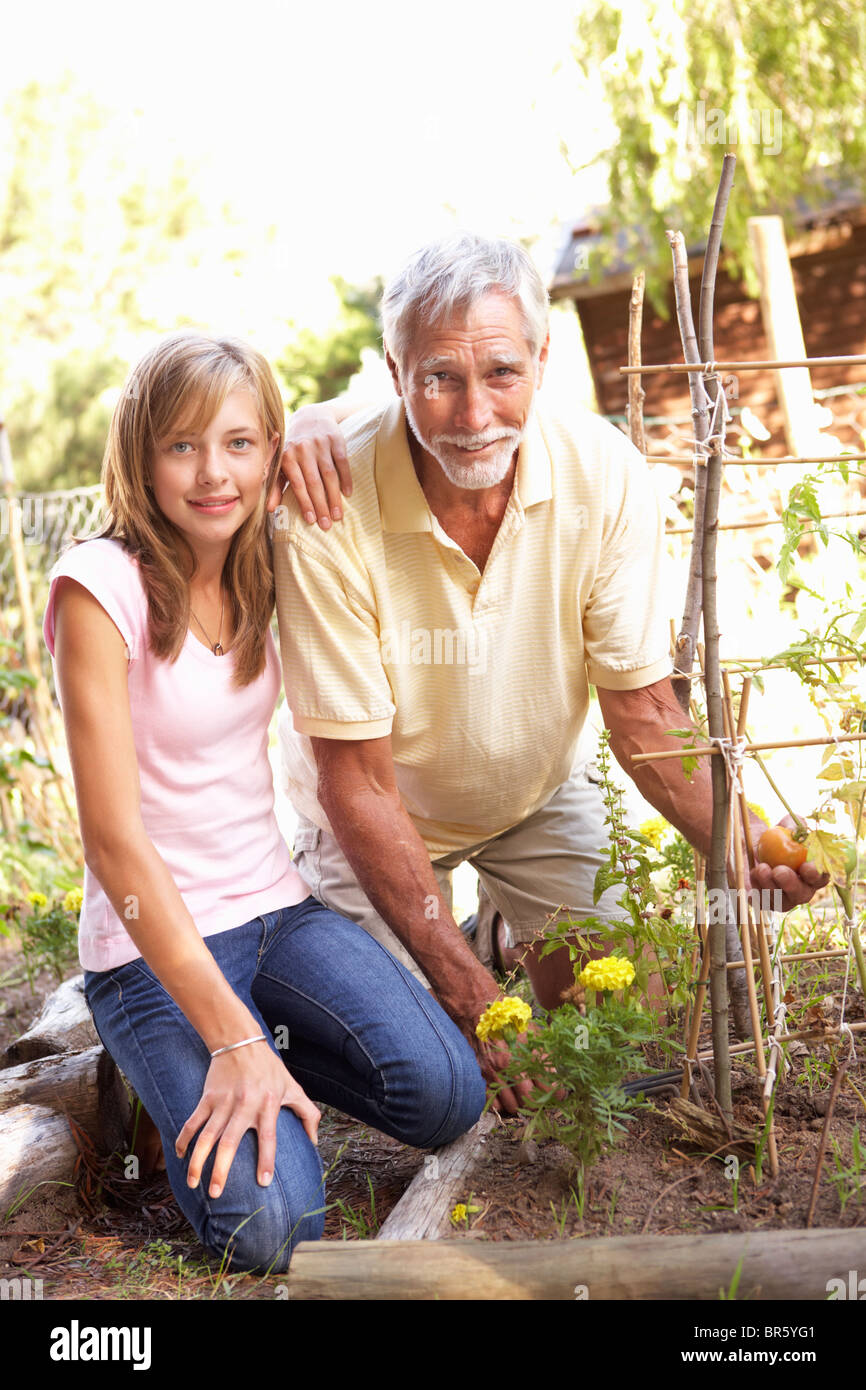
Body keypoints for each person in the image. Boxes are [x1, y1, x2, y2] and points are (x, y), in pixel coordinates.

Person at [270, 231, 828, 1092]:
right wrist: (468, 996)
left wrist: (744, 842)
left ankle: (503, 923)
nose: (472, 415)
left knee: (619, 1028)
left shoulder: (603, 474)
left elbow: (643, 712)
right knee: (431, 1079)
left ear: (542, 356)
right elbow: (360, 784)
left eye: (500, 373)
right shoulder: (326, 508)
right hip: (376, 823)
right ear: (394, 372)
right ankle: (462, 952)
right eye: (439, 379)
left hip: (535, 797)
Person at [42, 332, 486, 1274]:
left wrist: (317, 421)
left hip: (276, 913)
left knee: (449, 1092)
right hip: (148, 953)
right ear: (142, 454)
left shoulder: (266, 549)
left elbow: (382, 396)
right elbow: (113, 845)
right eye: (183, 446)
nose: (214, 474)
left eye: (242, 444)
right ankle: (200, 1078)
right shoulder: (100, 588)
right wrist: (232, 1035)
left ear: (271, 451)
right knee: (275, 1230)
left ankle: (253, 1056)